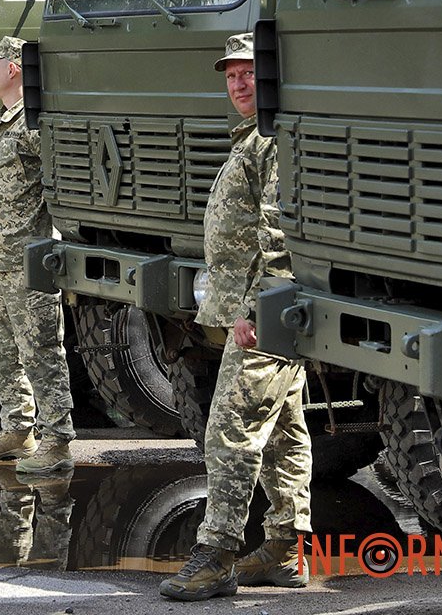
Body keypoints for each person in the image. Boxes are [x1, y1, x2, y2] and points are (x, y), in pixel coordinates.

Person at [159, 33, 312, 601]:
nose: (239, 83)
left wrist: (255, 310)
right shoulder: (253, 137)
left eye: (248, 72)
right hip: (267, 310)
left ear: (268, 76)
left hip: (266, 311)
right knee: (285, 434)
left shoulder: (271, 139)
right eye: (231, 75)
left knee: (231, 430)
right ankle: (284, 549)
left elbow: (277, 229)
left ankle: (217, 554)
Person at [0, 36, 75, 475]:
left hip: (29, 263)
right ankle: (17, 430)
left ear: (14, 68)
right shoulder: (5, 122)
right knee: (6, 353)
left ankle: (58, 441)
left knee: (42, 352)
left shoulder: (33, 125)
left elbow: (57, 186)